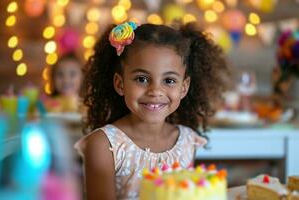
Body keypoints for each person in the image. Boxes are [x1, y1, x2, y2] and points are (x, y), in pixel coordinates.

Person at [75, 21, 228, 200]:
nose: (155, 91)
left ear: (184, 88)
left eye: (169, 80)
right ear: (120, 83)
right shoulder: (103, 146)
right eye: (142, 79)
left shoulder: (186, 142)